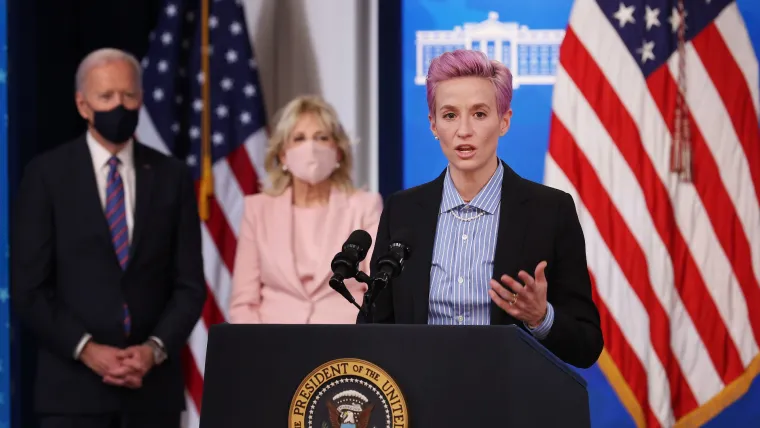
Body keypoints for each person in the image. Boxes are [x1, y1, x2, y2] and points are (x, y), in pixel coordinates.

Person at [364, 49, 603, 368]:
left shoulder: (551, 211)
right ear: (433, 125)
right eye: (449, 115)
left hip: (511, 404)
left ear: (504, 121)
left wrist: (541, 318)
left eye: (479, 114)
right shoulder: (403, 211)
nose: (464, 130)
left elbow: (587, 346)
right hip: (422, 400)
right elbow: (373, 329)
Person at [11, 48, 206, 428]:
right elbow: (29, 288)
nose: (120, 105)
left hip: (151, 392)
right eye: (106, 97)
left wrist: (154, 350)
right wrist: (87, 349)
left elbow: (190, 286)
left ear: (141, 98)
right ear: (83, 105)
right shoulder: (46, 175)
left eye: (128, 95)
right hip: (72, 394)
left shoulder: (173, 176)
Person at [228, 95, 383, 324]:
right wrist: (258, 352)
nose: (311, 148)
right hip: (273, 345)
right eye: (299, 139)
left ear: (338, 153)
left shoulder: (365, 206)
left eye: (321, 138)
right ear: (282, 155)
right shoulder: (257, 209)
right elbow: (244, 303)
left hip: (346, 346)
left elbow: (378, 290)